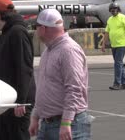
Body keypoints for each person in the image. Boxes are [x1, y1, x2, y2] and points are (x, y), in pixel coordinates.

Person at [28, 9, 91, 140]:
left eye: (36, 27)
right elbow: (43, 87)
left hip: (68, 125)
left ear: (44, 29)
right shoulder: (48, 51)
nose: (36, 31)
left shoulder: (68, 50)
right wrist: (35, 116)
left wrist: (66, 122)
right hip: (48, 124)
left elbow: (74, 89)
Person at [0, 0, 36, 140]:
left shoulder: (17, 32)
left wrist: (20, 101)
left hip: (17, 102)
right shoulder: (7, 32)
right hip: (7, 100)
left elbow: (24, 68)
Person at [101, 2, 125, 90]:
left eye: (114, 9)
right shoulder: (109, 20)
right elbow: (107, 32)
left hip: (122, 44)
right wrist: (103, 44)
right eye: (111, 10)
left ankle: (117, 83)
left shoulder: (124, 18)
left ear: (118, 9)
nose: (113, 11)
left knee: (117, 63)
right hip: (114, 45)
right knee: (119, 64)